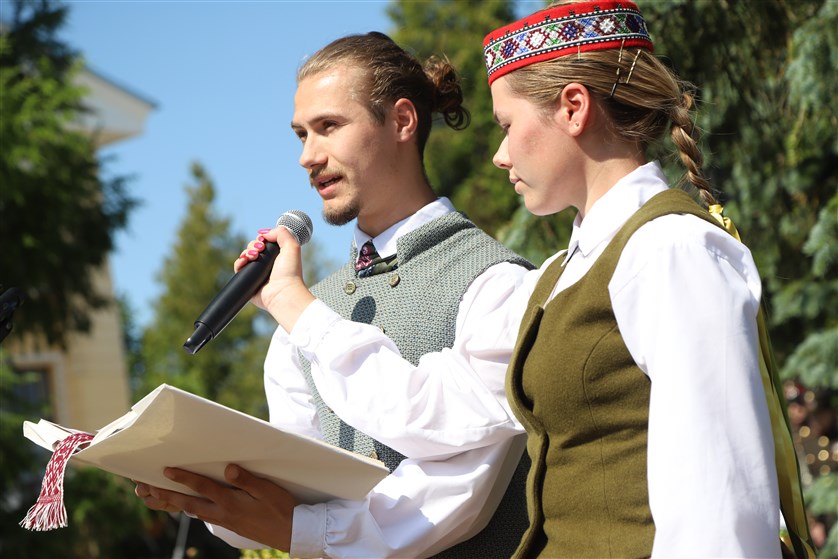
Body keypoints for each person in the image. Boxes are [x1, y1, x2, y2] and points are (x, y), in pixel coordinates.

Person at [135, 32, 533, 558]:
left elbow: (458, 497)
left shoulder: (498, 282)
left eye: (329, 127)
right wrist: (209, 488)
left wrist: (294, 306)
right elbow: (295, 490)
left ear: (402, 121)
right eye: (301, 134)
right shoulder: (305, 314)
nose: (307, 156)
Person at [478, 1, 814, 557]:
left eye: (508, 126)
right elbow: (454, 402)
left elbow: (718, 506)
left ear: (573, 108)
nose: (499, 155)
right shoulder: (564, 271)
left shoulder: (669, 249)